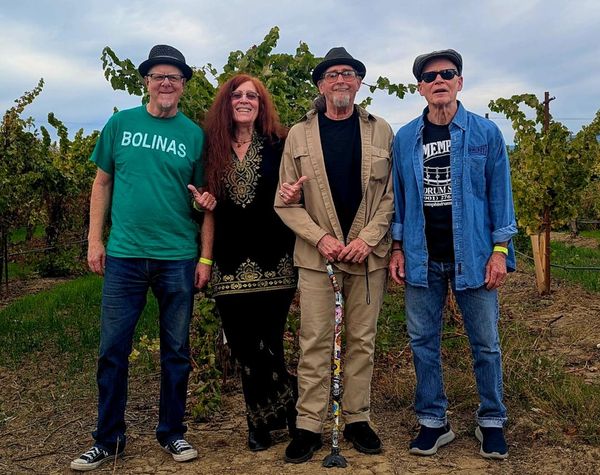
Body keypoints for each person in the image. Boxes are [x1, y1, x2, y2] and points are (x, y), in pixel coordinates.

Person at [71, 44, 216, 472]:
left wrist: (205, 258)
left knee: (176, 351)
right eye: (158, 76)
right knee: (112, 351)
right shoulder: (120, 124)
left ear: (183, 85)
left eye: (174, 77)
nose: (166, 83)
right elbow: (102, 183)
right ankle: (108, 439)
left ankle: (172, 432)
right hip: (124, 256)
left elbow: (206, 201)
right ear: (147, 83)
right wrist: (94, 240)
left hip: (177, 257)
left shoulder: (195, 136)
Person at [389, 49, 517, 460]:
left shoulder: (485, 133)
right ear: (420, 88)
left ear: (459, 82)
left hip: (475, 256)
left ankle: (491, 420)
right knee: (422, 341)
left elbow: (501, 196)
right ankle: (433, 421)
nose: (439, 80)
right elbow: (399, 198)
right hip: (421, 256)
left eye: (447, 73)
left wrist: (500, 251)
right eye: (430, 77)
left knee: (486, 344)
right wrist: (397, 247)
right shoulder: (405, 138)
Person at [275, 47, 394, 464]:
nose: (340, 79)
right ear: (321, 85)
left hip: (367, 259)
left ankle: (357, 419)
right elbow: (285, 202)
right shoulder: (298, 135)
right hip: (316, 259)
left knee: (362, 340)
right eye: (332, 74)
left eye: (348, 73)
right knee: (314, 342)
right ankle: (309, 425)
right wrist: (321, 238)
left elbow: (391, 197)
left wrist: (369, 239)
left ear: (359, 82)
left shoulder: (382, 131)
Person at [194, 74, 298, 452]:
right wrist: (205, 250)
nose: (244, 100)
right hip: (228, 261)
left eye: (252, 96)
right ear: (227, 102)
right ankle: (292, 399)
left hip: (276, 260)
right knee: (243, 347)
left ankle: (260, 425)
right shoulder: (212, 148)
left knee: (270, 344)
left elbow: (296, 193)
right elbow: (205, 207)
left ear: (261, 104)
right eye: (236, 95)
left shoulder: (279, 144)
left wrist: (294, 194)